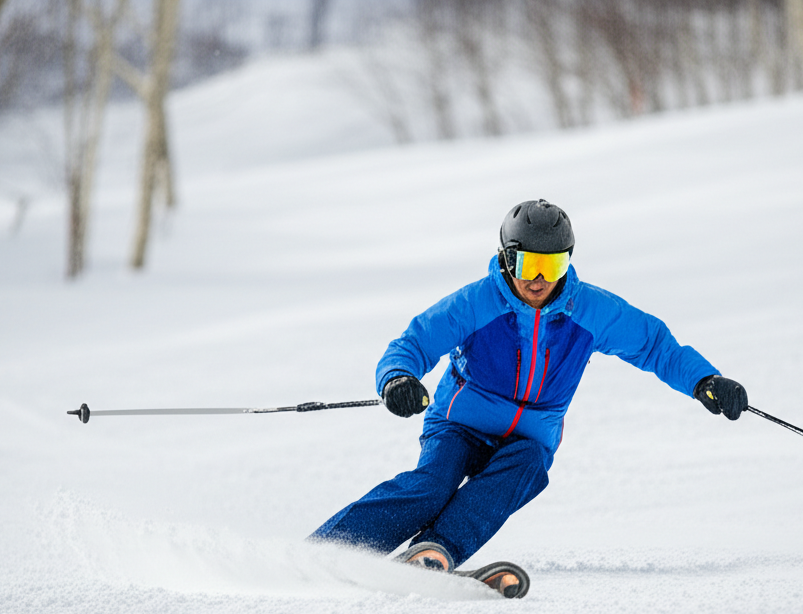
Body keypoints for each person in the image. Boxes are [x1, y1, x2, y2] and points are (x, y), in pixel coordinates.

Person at [309, 198, 747, 584]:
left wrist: (704, 381)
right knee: (432, 486)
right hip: (460, 423)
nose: (538, 280)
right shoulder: (477, 302)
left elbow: (655, 346)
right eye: (527, 266)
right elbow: (413, 343)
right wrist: (398, 378)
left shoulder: (590, 309)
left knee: (528, 466)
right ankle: (327, 552)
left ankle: (434, 552)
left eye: (551, 267)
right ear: (506, 259)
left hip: (528, 437)